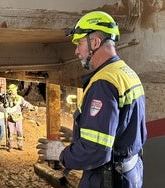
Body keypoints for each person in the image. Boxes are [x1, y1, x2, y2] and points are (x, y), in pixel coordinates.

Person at [59, 11, 147, 187]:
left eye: (80, 43)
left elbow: (96, 151)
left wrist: (62, 155)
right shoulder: (126, 73)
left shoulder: (103, 83)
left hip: (107, 178)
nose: (76, 51)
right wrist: (80, 135)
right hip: (129, 172)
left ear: (96, 42)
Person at [6, 83, 38, 151]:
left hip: (18, 118)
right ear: (10, 91)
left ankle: (20, 145)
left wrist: (33, 107)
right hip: (10, 118)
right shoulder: (7, 99)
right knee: (10, 133)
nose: (15, 91)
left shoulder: (19, 98)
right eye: (14, 90)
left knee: (20, 132)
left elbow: (26, 104)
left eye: (15, 90)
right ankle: (10, 146)